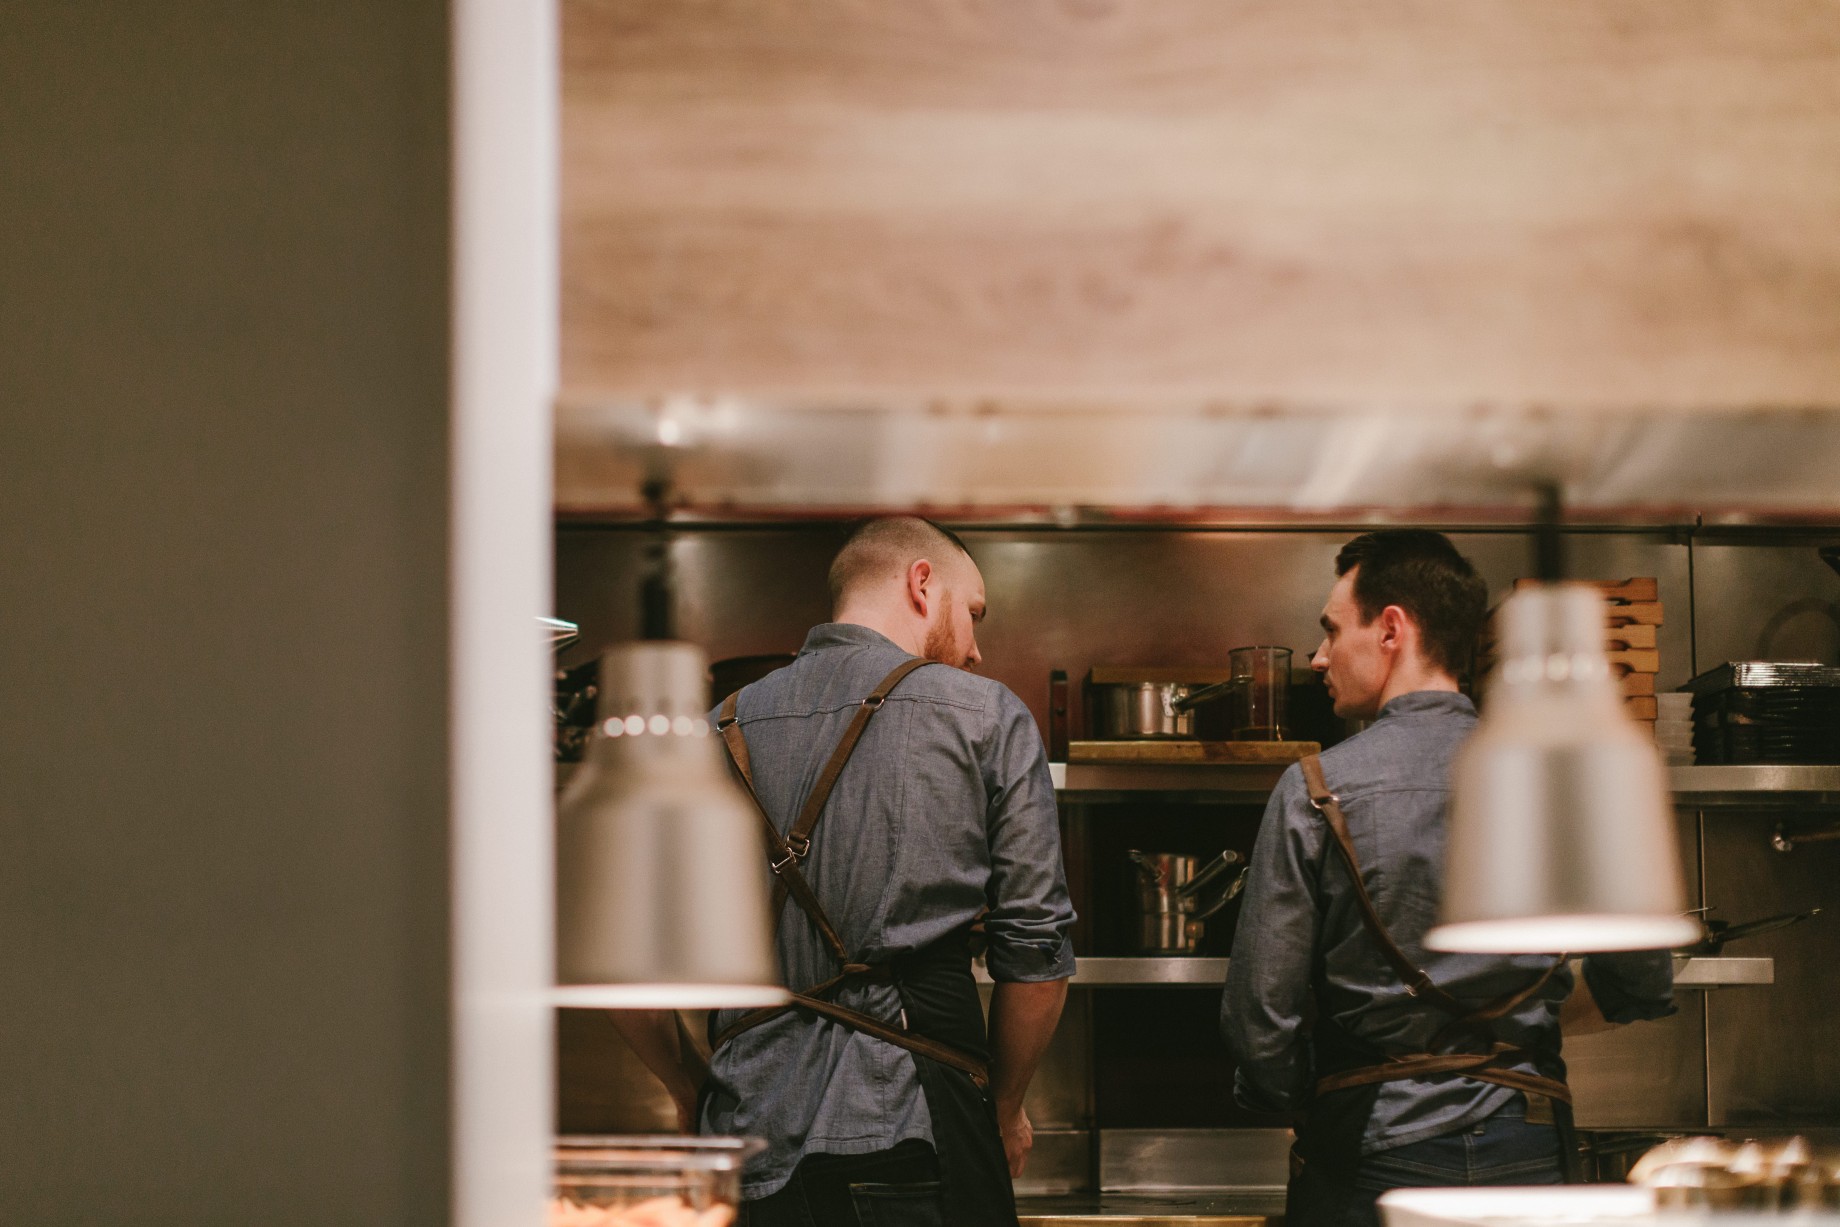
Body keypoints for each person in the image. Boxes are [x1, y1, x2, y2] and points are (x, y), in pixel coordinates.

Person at [617, 516, 1076, 1227]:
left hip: (743, 1144)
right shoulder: (986, 718)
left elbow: (628, 970)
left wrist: (692, 1091)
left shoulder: (712, 729)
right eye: (974, 614)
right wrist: (1007, 1105)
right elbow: (1038, 961)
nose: (978, 649)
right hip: (916, 1126)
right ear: (923, 584)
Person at [1221, 529, 1676, 1227]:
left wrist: (1314, 1095)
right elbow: (1641, 976)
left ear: (1392, 628)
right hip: (1528, 1139)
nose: (1319, 657)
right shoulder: (1557, 771)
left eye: (1331, 630)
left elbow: (1260, 1024)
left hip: (1369, 1150)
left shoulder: (1315, 787)